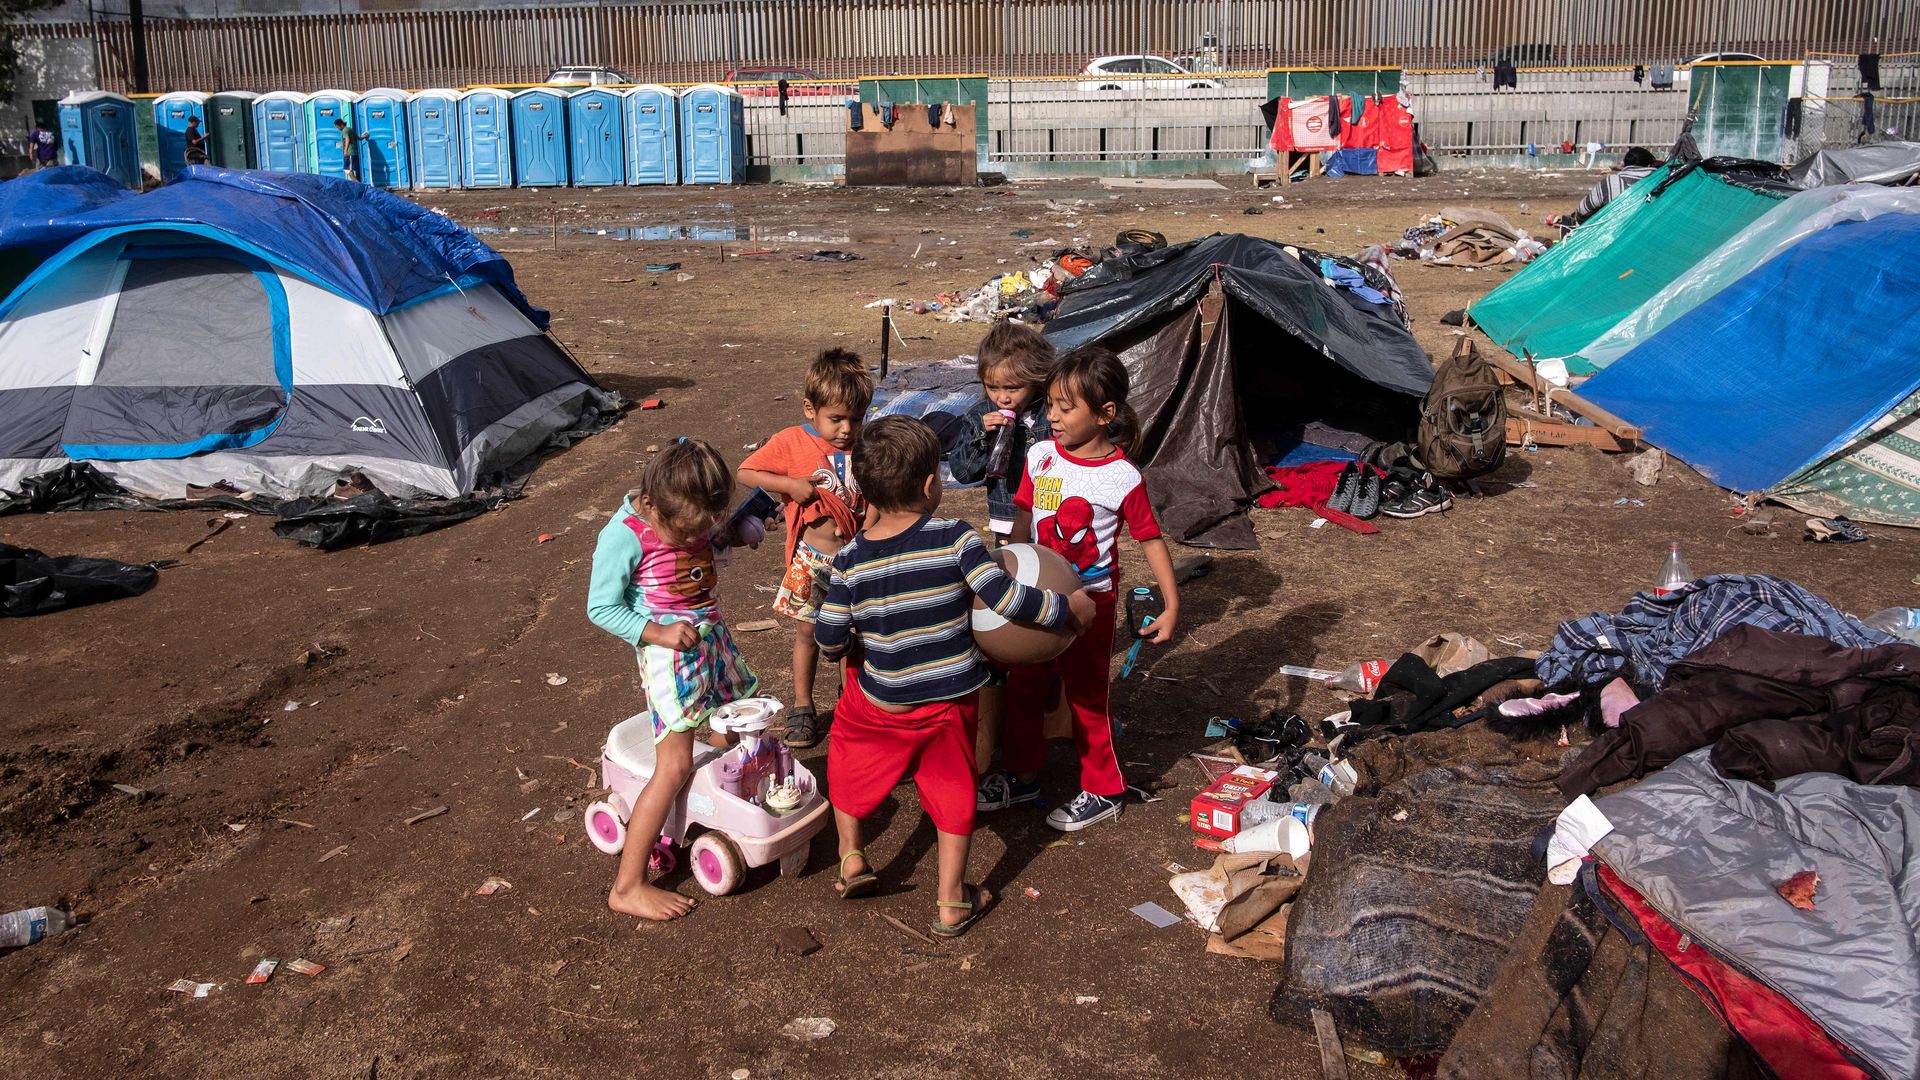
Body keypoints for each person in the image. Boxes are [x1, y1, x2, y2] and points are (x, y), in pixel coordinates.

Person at [813, 416, 1092, 936]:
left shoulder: (848, 561)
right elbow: (1006, 598)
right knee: (952, 788)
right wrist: (1067, 610)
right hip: (950, 698)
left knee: (847, 760)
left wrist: (849, 639)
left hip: (881, 701)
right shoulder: (958, 538)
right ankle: (951, 900)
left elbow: (829, 641)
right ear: (928, 486)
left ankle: (852, 856)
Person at [984, 345, 1181, 831]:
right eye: (1049, 403)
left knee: (1088, 696)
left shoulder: (1121, 478)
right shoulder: (1040, 456)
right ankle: (1023, 773)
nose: (1052, 415)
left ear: (1105, 414)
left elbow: (1151, 540)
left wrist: (1172, 604)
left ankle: (1105, 789)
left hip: (1091, 605)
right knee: (1025, 685)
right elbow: (1024, 518)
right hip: (1036, 599)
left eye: (1065, 407)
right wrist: (1004, 570)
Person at [587, 439, 758, 922]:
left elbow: (710, 541)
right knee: (675, 762)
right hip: (668, 656)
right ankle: (628, 885)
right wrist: (657, 632)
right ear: (654, 505)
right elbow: (600, 607)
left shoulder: (689, 506)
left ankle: (713, 806)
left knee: (734, 715)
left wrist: (736, 531)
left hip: (710, 638)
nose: (693, 539)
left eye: (704, 528)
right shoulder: (624, 535)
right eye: (685, 532)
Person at [738, 348, 873, 749]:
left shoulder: (867, 445)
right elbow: (746, 471)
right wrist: (790, 485)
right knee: (807, 631)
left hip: (857, 558)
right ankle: (802, 706)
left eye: (856, 418)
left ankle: (853, 702)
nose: (847, 429)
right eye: (836, 419)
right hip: (812, 559)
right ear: (810, 410)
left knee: (856, 632)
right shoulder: (792, 441)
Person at [946, 321, 1056, 800]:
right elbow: (966, 472)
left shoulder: (1054, 415)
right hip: (1005, 522)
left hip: (1049, 523)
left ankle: (1044, 676)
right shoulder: (982, 415)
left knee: (1044, 585)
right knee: (1009, 587)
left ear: (1037, 379)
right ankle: (1010, 655)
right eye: (993, 387)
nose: (1003, 397)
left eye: (1012, 387)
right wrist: (980, 434)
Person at [333, 117, 360, 182]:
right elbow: (359, 138)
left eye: (337, 127)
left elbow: (347, 139)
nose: (337, 128)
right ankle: (356, 182)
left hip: (350, 152)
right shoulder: (350, 129)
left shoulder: (345, 130)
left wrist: (345, 151)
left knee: (347, 169)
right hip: (354, 152)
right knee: (350, 170)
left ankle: (357, 183)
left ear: (341, 124)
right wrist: (365, 136)